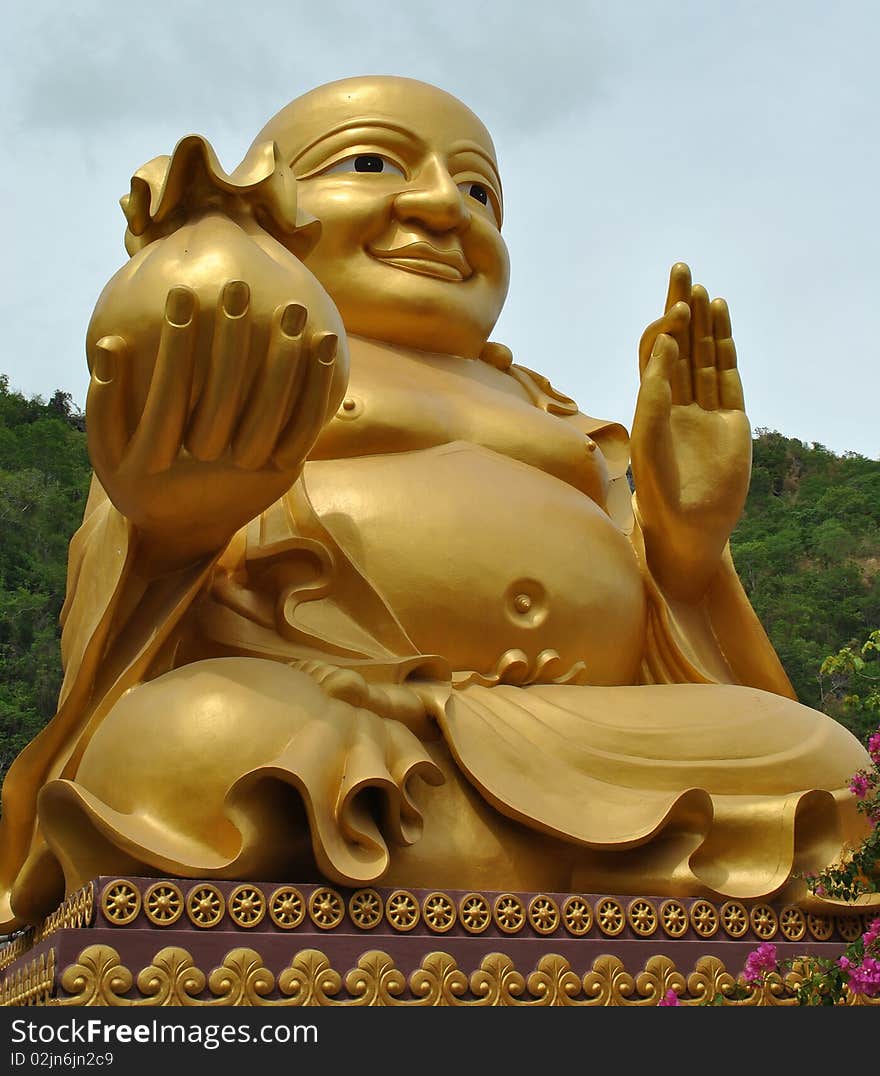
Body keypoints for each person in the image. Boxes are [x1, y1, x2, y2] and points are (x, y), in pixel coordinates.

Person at [0, 75, 872, 930]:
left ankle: (458, 857)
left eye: (480, 189)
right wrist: (180, 521)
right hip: (340, 717)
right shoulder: (261, 347)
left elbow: (660, 627)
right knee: (186, 739)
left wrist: (688, 546)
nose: (443, 206)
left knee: (827, 761)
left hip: (580, 736)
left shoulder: (550, 410)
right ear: (271, 208)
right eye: (374, 164)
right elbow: (130, 581)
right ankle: (598, 863)